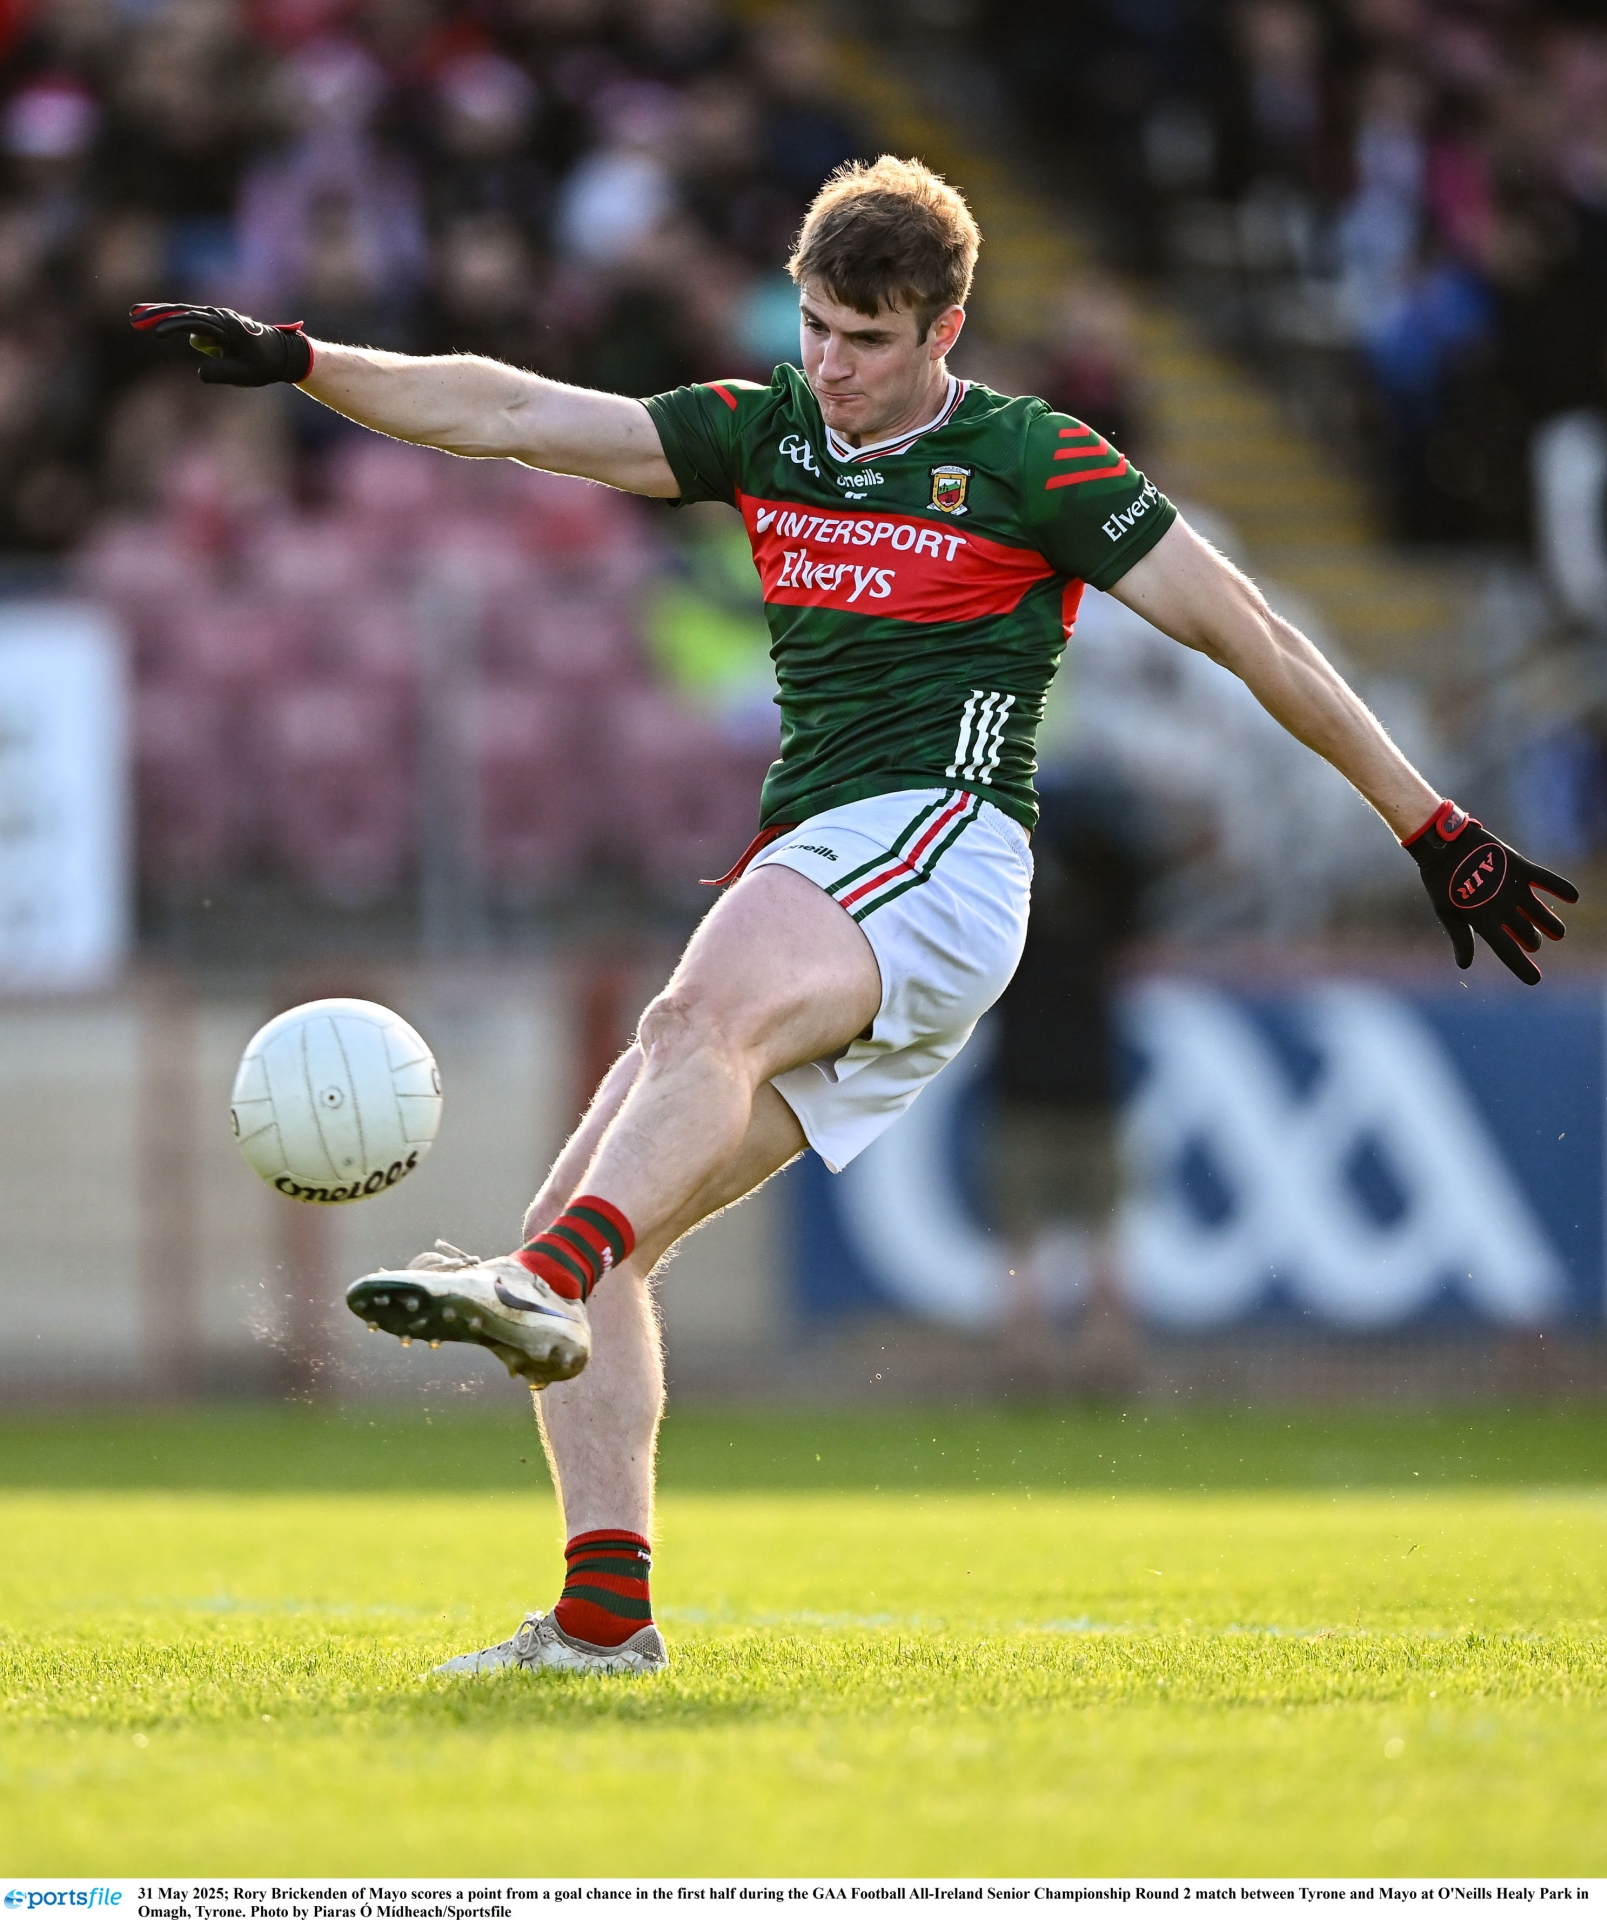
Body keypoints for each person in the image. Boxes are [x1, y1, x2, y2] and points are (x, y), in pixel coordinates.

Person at [133, 154, 1578, 1678]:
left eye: (867, 339)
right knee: (600, 1231)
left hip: (943, 845)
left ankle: (536, 1283)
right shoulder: (764, 430)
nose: (830, 364)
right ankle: (603, 1618)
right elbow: (509, 411)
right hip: (836, 871)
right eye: (816, 326)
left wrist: (1428, 823)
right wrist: (307, 360)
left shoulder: (1034, 460)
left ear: (944, 328)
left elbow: (1253, 635)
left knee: (686, 1030)